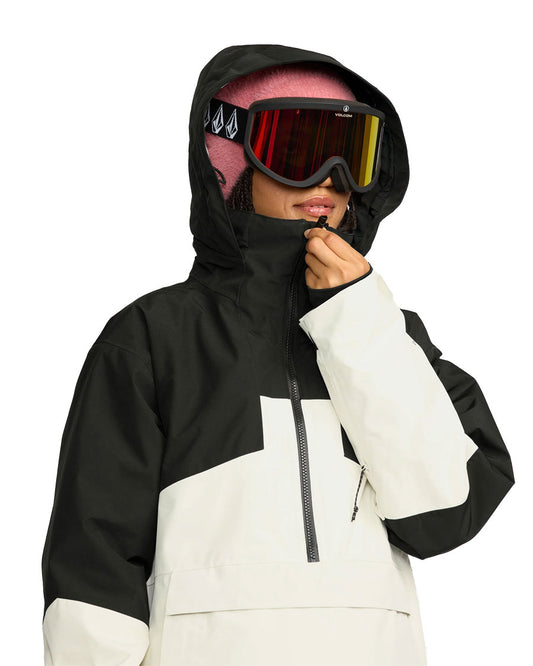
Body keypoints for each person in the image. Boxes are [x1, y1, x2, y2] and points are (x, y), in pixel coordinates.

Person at [41, 44, 515, 666]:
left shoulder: (388, 336)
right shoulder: (155, 337)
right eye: (297, 149)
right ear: (228, 161)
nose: (330, 179)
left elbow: (445, 516)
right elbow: (93, 566)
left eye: (352, 154)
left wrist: (355, 321)